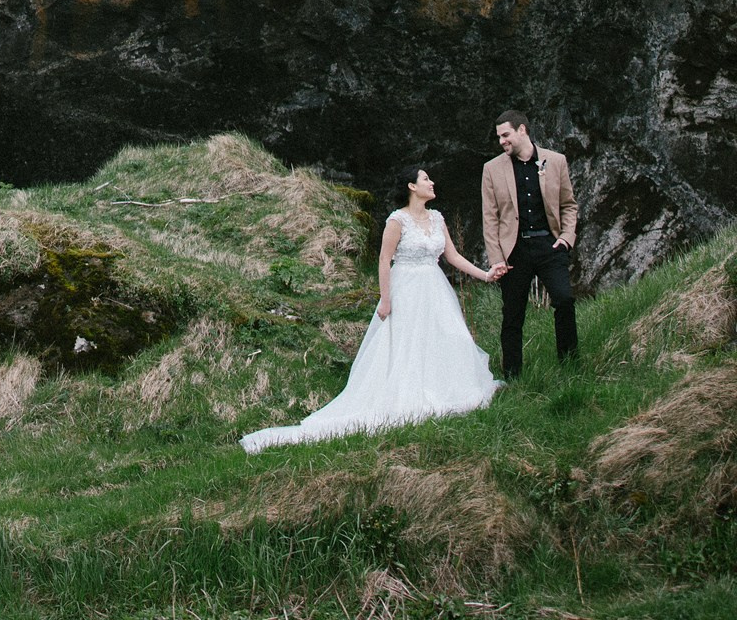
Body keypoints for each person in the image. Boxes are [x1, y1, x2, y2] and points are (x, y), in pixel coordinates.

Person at [240, 166, 501, 454]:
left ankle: (445, 386)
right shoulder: (397, 220)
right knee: (406, 345)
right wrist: (386, 300)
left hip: (435, 289)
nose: (432, 182)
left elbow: (452, 256)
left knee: (447, 337)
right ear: (412, 186)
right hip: (407, 290)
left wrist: (486, 274)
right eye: (426, 178)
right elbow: (384, 260)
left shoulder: (437, 218)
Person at [481, 110, 578, 379]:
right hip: (514, 250)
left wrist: (566, 239)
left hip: (550, 245)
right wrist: (497, 258)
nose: (501, 140)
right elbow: (490, 218)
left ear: (522, 130)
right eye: (499, 136)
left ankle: (570, 366)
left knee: (565, 300)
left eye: (506, 134)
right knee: (512, 314)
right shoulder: (491, 169)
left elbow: (569, 205)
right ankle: (512, 377)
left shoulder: (556, 161)